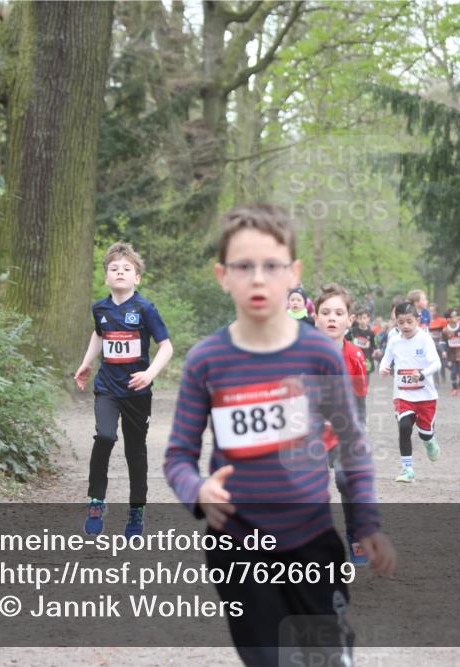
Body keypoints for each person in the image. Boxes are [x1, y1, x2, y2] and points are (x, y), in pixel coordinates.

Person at [163, 204, 396, 666]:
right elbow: (178, 457)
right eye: (243, 266)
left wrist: (366, 522)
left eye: (271, 266)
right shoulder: (207, 360)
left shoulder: (318, 355)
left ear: (293, 274)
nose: (257, 278)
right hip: (236, 545)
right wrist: (198, 490)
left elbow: (352, 445)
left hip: (311, 539)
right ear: (222, 275)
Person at [74, 242, 173, 537]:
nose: (120, 272)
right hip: (107, 387)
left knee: (135, 451)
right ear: (106, 277)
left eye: (126, 269)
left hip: (137, 392)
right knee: (104, 436)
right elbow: (100, 334)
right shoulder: (100, 308)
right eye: (114, 269)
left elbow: (166, 347)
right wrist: (86, 363)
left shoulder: (145, 308)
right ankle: (96, 500)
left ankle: (136, 509)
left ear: (137, 278)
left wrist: (149, 373)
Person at [316, 283, 371, 566]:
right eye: (325, 312)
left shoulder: (355, 357)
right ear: (316, 319)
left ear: (350, 320)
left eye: (339, 313)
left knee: (344, 479)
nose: (332, 318)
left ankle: (356, 535)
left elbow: (360, 402)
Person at [380, 301, 442, 482]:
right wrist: (383, 369)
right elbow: (386, 360)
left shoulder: (424, 338)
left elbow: (436, 363)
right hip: (402, 394)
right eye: (401, 322)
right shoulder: (394, 340)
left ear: (417, 320)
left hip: (425, 396)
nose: (405, 326)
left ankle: (429, 441)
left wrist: (422, 374)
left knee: (425, 433)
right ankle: (407, 469)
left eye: (409, 321)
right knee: (404, 427)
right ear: (396, 323)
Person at [443, 308, 460, 396]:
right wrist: (443, 351)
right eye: (454, 316)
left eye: (457, 315)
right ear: (448, 319)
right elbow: (442, 342)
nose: (457, 317)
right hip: (451, 355)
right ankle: (454, 387)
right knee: (453, 372)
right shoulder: (445, 330)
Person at [349, 308, 377, 375]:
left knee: (365, 381)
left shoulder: (371, 333)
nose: (362, 320)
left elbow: (374, 345)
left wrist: (375, 351)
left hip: (367, 359)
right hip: (354, 358)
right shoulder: (353, 331)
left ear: (368, 319)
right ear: (357, 319)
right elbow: (345, 340)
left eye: (364, 318)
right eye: (360, 318)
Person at [428, 303, 449, 384]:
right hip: (431, 345)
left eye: (433, 311)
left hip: (440, 343)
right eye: (430, 311)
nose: (432, 313)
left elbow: (446, 333)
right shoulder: (426, 321)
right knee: (433, 361)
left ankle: (443, 373)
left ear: (437, 311)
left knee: (442, 362)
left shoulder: (442, 321)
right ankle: (436, 381)